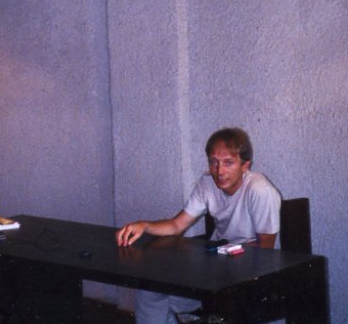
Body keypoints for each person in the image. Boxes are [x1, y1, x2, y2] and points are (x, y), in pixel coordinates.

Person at [116, 127, 281, 324]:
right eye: (213, 162)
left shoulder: (259, 190)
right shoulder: (207, 183)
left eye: (228, 163)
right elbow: (177, 225)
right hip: (215, 270)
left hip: (252, 274)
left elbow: (265, 248)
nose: (219, 171)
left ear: (245, 165)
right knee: (149, 290)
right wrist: (144, 225)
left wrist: (219, 256)